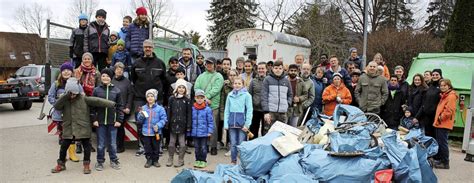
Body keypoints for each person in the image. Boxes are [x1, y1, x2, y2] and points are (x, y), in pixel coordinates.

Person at [51, 78, 117, 174]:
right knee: (64, 146)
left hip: (83, 127)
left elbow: (97, 101)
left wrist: (112, 104)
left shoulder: (83, 99)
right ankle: (61, 164)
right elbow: (57, 106)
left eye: (74, 93)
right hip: (69, 127)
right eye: (70, 93)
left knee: (87, 146)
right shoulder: (64, 99)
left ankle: (86, 164)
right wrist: (64, 97)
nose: (73, 96)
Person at [131, 40, 167, 156]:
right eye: (145, 47)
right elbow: (133, 79)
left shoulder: (160, 63)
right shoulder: (136, 63)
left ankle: (158, 147)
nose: (147, 49)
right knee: (141, 122)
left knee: (158, 122)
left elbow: (163, 80)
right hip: (140, 98)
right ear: (143, 48)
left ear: (153, 48)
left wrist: (158, 95)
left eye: (149, 47)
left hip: (157, 99)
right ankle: (142, 147)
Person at [48, 62, 81, 162]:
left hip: (72, 115)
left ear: (72, 72)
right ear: (61, 72)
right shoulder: (56, 84)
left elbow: (81, 95)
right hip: (60, 115)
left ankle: (72, 154)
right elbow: (50, 97)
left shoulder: (76, 83)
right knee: (64, 136)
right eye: (64, 70)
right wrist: (58, 104)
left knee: (73, 135)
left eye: (68, 70)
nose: (66, 72)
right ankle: (63, 155)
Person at [91, 68, 124, 171]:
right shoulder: (96, 90)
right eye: (103, 76)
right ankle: (100, 161)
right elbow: (92, 106)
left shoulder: (117, 91)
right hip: (100, 122)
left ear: (111, 78)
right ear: (101, 78)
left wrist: (119, 120)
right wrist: (94, 119)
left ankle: (114, 160)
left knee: (113, 144)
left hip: (112, 122)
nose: (105, 78)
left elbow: (120, 107)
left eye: (108, 76)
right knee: (100, 144)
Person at [194, 57, 224, 155]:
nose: (209, 65)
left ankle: (213, 146)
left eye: (211, 63)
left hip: (213, 105)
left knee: (213, 127)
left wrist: (206, 97)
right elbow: (196, 87)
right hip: (201, 105)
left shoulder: (219, 76)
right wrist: (203, 98)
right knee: (203, 125)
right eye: (207, 63)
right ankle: (205, 145)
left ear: (214, 65)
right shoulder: (201, 76)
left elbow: (216, 89)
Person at [74, 52, 100, 153]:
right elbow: (73, 84)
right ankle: (78, 144)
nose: (87, 60)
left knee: (89, 122)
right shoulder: (77, 71)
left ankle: (88, 143)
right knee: (79, 122)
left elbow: (98, 88)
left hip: (90, 100)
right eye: (85, 59)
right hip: (78, 100)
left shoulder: (96, 73)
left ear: (92, 60)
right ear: (82, 60)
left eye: (89, 59)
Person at [224, 78, 253, 165]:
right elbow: (227, 110)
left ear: (243, 85)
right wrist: (226, 123)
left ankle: (242, 162)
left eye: (239, 83)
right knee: (233, 143)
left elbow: (249, 110)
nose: (237, 85)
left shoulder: (247, 95)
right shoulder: (230, 95)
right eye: (235, 83)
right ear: (233, 85)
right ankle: (233, 161)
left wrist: (247, 124)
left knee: (241, 144)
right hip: (232, 124)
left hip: (242, 125)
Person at [136, 89, 167, 168]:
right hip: (146, 132)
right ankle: (149, 160)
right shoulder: (143, 108)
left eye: (152, 96)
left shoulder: (160, 109)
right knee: (147, 147)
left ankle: (155, 160)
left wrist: (158, 125)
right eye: (148, 96)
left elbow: (164, 119)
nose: (150, 98)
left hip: (156, 132)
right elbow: (139, 120)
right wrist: (141, 115)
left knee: (156, 147)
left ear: (155, 97)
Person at [262, 61, 292, 135]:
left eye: (280, 68)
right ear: (272, 69)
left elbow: (290, 94)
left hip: (283, 113)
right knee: (268, 133)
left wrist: (287, 103)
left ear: (283, 69)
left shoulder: (286, 81)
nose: (278, 70)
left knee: (281, 134)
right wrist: (266, 112)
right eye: (276, 68)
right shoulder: (267, 79)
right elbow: (264, 95)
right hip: (271, 112)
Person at [166, 79, 192, 167]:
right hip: (173, 124)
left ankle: (181, 159)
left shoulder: (187, 100)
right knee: (171, 143)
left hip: (182, 125)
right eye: (179, 87)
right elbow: (169, 111)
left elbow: (189, 114)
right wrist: (167, 122)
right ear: (176, 88)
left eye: (183, 87)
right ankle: (170, 158)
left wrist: (188, 125)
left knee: (182, 143)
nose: (181, 89)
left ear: (185, 89)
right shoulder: (171, 99)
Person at [433, 79, 457, 169]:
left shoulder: (451, 96)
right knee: (440, 142)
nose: (442, 87)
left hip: (443, 123)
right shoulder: (445, 95)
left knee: (443, 143)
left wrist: (440, 118)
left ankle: (445, 163)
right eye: (441, 86)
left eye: (444, 85)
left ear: (449, 86)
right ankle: (441, 160)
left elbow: (449, 111)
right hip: (440, 123)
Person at [111, 63, 133, 153]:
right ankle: (112, 146)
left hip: (122, 109)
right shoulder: (110, 80)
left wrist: (128, 107)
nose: (119, 70)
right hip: (111, 109)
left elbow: (130, 95)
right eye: (117, 69)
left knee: (120, 128)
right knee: (111, 128)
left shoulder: (127, 82)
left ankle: (120, 146)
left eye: (121, 69)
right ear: (114, 70)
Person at [190, 89, 214, 168]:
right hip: (195, 132)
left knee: (203, 147)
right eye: (198, 97)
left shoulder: (207, 109)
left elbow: (210, 121)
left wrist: (210, 131)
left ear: (204, 98)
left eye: (201, 98)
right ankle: (197, 160)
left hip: (204, 132)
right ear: (195, 98)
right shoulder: (192, 108)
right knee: (196, 147)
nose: (199, 99)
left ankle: (203, 160)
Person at [418, 69, 443, 137]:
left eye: (437, 75)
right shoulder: (431, 86)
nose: (435, 76)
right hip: (427, 116)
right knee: (427, 136)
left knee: (435, 137)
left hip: (436, 117)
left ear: (440, 75)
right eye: (433, 75)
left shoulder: (442, 86)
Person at [219, 69, 238, 154]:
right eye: (231, 75)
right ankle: (229, 145)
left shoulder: (240, 86)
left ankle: (236, 146)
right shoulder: (225, 87)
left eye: (234, 75)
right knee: (229, 129)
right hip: (228, 111)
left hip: (238, 111)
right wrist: (222, 114)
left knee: (237, 129)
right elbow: (222, 101)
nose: (232, 77)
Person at [249, 62, 268, 139]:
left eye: (262, 68)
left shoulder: (269, 81)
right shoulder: (253, 81)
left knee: (265, 132)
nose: (261, 70)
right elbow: (250, 95)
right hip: (255, 110)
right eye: (259, 68)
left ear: (266, 69)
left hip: (266, 110)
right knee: (253, 131)